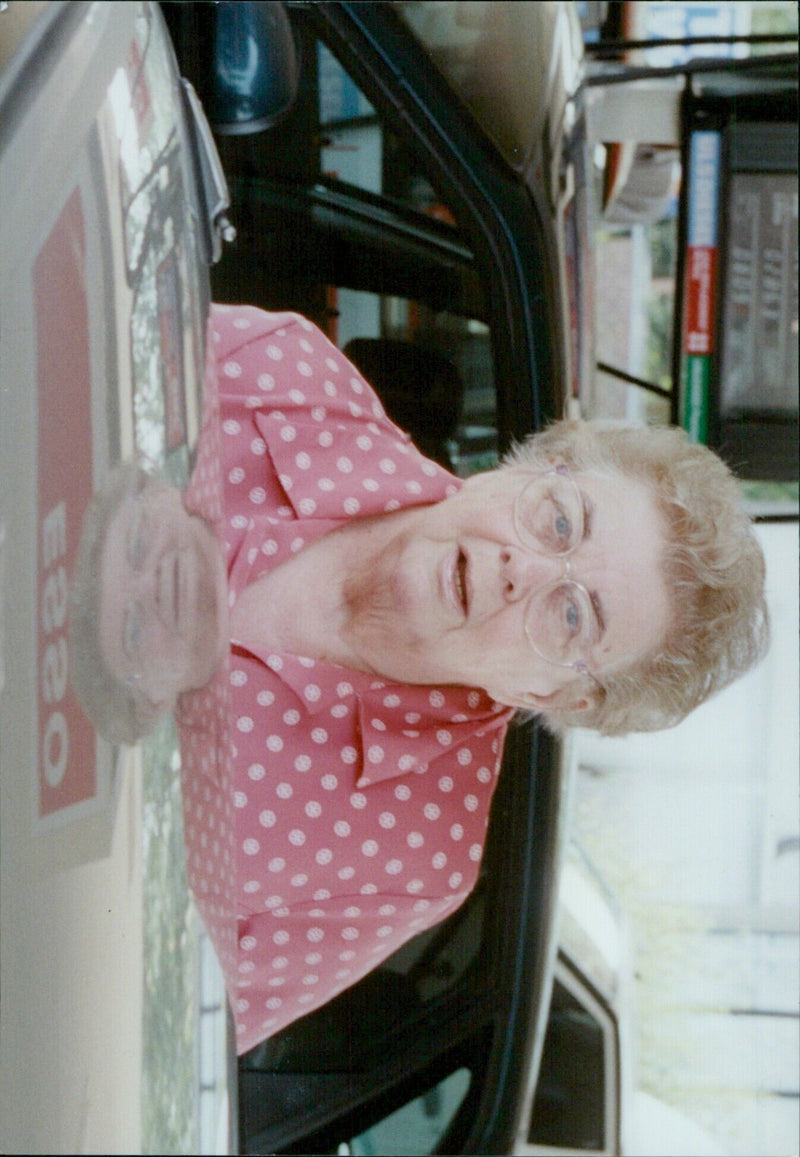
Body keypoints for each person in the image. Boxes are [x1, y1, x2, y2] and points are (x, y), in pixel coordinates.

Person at [70, 304, 768, 1053]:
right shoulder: (280, 371)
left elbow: (154, 1040)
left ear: (553, 695)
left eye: (572, 616)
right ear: (527, 463)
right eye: (560, 522)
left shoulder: (411, 859)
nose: (519, 568)